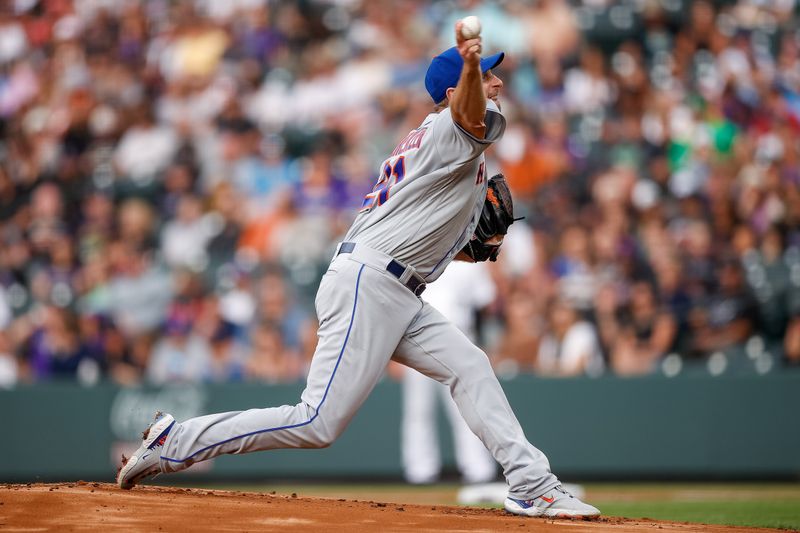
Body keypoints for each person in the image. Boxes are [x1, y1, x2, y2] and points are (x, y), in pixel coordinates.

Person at [116, 21, 600, 519]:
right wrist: (473, 67)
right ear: (457, 92)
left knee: (470, 366)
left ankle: (531, 483)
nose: (497, 82)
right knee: (317, 422)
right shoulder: (448, 130)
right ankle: (176, 442)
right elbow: (471, 111)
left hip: (395, 286)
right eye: (486, 76)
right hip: (369, 284)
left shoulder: (453, 151)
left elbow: (443, 244)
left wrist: (480, 242)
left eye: (493, 74)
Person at [401, 260, 497, 486]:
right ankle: (419, 470)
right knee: (418, 409)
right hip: (415, 338)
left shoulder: (471, 262)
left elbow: (486, 304)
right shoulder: (417, 254)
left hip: (459, 337)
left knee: (466, 407)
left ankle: (477, 468)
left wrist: (487, 344)